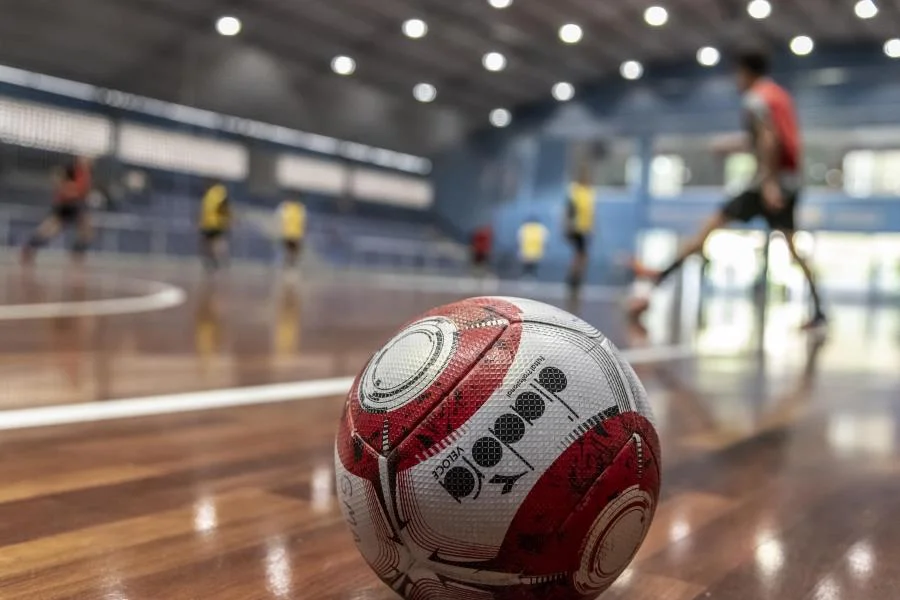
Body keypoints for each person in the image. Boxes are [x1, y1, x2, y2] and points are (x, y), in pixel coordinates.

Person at [630, 47, 827, 330]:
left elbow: (770, 141)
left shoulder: (756, 98)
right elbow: (764, 140)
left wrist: (769, 184)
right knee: (794, 250)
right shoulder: (778, 96)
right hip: (787, 181)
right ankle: (820, 311)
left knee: (706, 230)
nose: (736, 80)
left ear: (746, 72)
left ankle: (655, 284)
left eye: (737, 73)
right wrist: (731, 145)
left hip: (768, 184)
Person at [21, 157, 93, 265]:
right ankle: (30, 248)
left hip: (77, 205)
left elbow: (84, 191)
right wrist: (66, 188)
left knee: (86, 230)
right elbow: (57, 175)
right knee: (50, 229)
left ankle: (77, 253)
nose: (88, 162)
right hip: (65, 204)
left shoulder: (86, 174)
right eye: (86, 159)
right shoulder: (71, 169)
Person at [566, 163, 596, 295]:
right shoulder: (576, 191)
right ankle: (573, 279)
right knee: (581, 254)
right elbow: (570, 209)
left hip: (585, 229)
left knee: (582, 255)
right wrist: (569, 225)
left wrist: (592, 227)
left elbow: (591, 212)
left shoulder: (589, 192)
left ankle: (576, 278)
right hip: (577, 228)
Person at [199, 181, 231, 271]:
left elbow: (224, 206)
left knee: (216, 242)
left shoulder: (219, 192)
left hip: (216, 222)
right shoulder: (209, 194)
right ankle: (213, 261)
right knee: (208, 243)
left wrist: (227, 218)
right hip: (208, 222)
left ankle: (220, 260)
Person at [278, 197, 307, 269]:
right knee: (291, 251)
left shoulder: (291, 208)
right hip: (291, 234)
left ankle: (290, 266)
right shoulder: (297, 208)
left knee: (292, 251)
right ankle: (289, 266)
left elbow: (303, 222)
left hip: (293, 234)